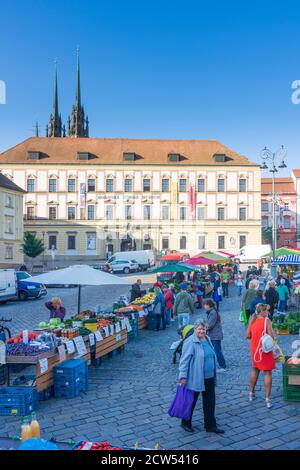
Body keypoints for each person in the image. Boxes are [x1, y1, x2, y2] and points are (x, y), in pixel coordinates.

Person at [178, 319, 224, 434]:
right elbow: (184, 361)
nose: (201, 331)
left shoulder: (207, 339)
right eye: (199, 329)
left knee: (210, 402)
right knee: (191, 401)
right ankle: (185, 422)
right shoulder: (190, 342)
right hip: (196, 377)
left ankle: (210, 425)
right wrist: (182, 377)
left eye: (203, 329)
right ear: (195, 329)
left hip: (209, 377)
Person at [246, 304, 275, 408]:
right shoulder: (267, 321)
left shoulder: (252, 320)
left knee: (255, 369)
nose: (268, 312)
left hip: (254, 349)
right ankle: (267, 399)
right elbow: (271, 336)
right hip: (264, 349)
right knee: (267, 373)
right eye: (267, 311)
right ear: (262, 311)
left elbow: (247, 335)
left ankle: (251, 393)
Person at [204, 299, 226, 372]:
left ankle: (223, 366)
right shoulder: (212, 312)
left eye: (205, 304)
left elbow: (210, 324)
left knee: (217, 350)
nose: (204, 306)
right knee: (217, 350)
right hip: (214, 334)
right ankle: (221, 364)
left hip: (215, 335)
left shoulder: (213, 313)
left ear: (208, 305)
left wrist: (204, 328)